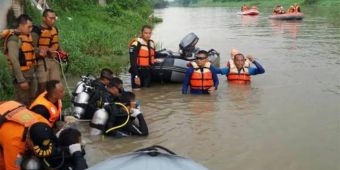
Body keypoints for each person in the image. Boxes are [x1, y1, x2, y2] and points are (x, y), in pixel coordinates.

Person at [0, 100, 53, 170]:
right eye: (35, 149)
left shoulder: (45, 124)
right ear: (28, 139)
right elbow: (13, 167)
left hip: (11, 106)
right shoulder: (14, 142)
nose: (37, 153)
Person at [4, 14, 36, 106]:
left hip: (30, 73)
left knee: (31, 99)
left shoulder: (27, 36)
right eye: (28, 27)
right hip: (22, 75)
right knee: (22, 102)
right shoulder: (13, 39)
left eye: (31, 27)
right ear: (20, 25)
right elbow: (14, 61)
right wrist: (21, 80)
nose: (31, 29)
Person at [32, 9, 64, 95]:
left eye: (54, 18)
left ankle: (54, 105)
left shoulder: (55, 29)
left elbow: (56, 42)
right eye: (51, 18)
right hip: (42, 62)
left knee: (56, 84)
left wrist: (61, 52)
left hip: (54, 60)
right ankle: (38, 106)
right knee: (42, 86)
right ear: (44, 18)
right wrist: (41, 52)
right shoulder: (36, 30)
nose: (53, 21)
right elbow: (32, 48)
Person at [129, 25, 156, 89]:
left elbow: (153, 54)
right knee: (137, 92)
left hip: (147, 72)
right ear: (141, 33)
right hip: (138, 71)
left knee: (146, 92)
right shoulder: (136, 43)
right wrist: (136, 76)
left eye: (149, 33)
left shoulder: (151, 43)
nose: (148, 35)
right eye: (146, 33)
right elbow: (132, 60)